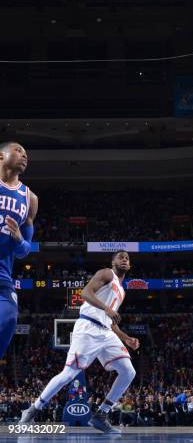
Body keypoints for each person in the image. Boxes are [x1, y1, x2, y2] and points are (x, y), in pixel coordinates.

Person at [20, 250, 139, 434]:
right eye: (120, 257)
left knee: (128, 371)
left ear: (130, 265)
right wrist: (107, 309)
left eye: (127, 258)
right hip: (88, 327)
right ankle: (32, 410)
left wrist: (126, 338)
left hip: (106, 332)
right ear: (113, 261)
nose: (124, 259)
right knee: (68, 374)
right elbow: (85, 293)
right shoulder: (106, 273)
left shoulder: (122, 291)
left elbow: (109, 320)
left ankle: (101, 416)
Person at [0, 142, 38, 360]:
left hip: (3, 276)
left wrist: (18, 239)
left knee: (8, 319)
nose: (24, 155)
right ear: (1, 156)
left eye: (26, 152)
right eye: (18, 150)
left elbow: (25, 252)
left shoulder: (29, 198)